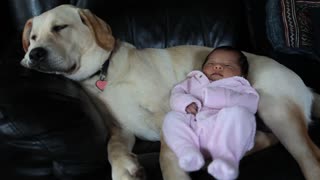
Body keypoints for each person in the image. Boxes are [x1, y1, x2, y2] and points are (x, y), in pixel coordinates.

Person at [162, 46, 259, 180]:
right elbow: (176, 95)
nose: (217, 66)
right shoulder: (193, 81)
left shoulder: (240, 86)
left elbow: (251, 104)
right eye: (211, 63)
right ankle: (187, 151)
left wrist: (215, 96)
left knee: (240, 115)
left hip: (224, 132)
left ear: (242, 74)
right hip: (195, 130)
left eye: (227, 65)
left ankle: (226, 160)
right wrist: (186, 103)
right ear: (202, 68)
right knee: (172, 117)